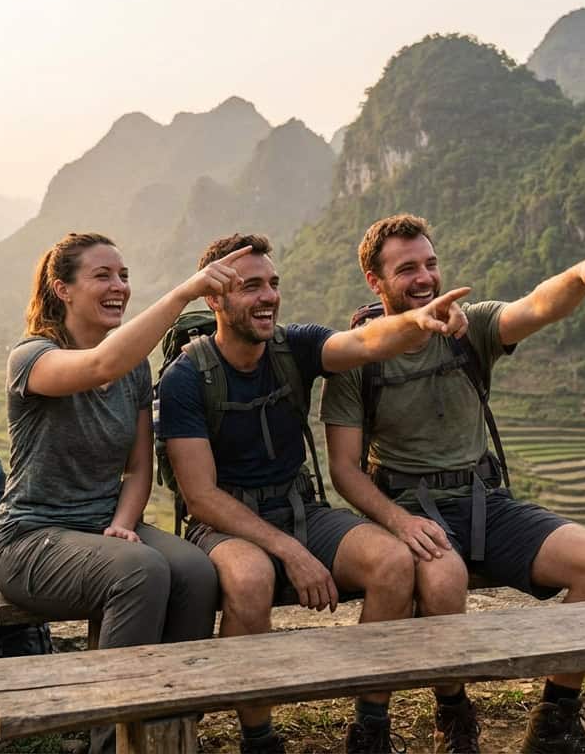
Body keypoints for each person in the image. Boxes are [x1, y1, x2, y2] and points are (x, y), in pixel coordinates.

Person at [320, 214, 585, 754]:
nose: (424, 278)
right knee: (443, 582)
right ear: (375, 282)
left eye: (431, 264)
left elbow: (535, 306)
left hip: (485, 499)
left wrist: (579, 276)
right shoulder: (358, 358)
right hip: (407, 503)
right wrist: (398, 521)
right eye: (407, 269)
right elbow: (345, 469)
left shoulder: (473, 330)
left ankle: (555, 722)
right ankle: (453, 708)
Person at [159, 232, 472, 754]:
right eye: (250, 286)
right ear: (214, 298)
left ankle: (370, 725)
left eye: (273, 284)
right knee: (252, 576)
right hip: (224, 522)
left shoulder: (295, 346)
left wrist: (415, 323)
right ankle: (258, 738)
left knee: (393, 562)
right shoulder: (186, 378)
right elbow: (201, 497)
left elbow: (364, 343)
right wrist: (290, 551)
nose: (268, 297)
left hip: (302, 507)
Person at [0, 232, 248, 754]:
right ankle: (112, 742)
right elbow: (98, 366)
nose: (118, 287)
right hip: (32, 539)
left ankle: (172, 727)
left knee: (196, 571)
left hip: (103, 527)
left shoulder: (135, 367)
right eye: (102, 276)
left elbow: (136, 468)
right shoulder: (32, 357)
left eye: (124, 276)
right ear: (61, 289)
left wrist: (125, 523)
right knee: (140, 570)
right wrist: (182, 295)